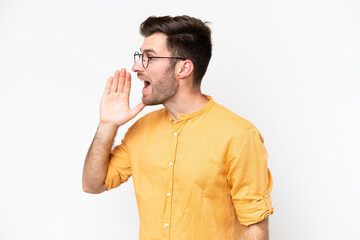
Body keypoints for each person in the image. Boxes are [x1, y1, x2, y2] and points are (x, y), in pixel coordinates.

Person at [82, 15, 274, 240]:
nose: (136, 67)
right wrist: (107, 125)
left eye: (149, 58)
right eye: (139, 57)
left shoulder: (238, 135)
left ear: (183, 68)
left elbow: (255, 226)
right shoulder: (140, 130)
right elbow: (93, 184)